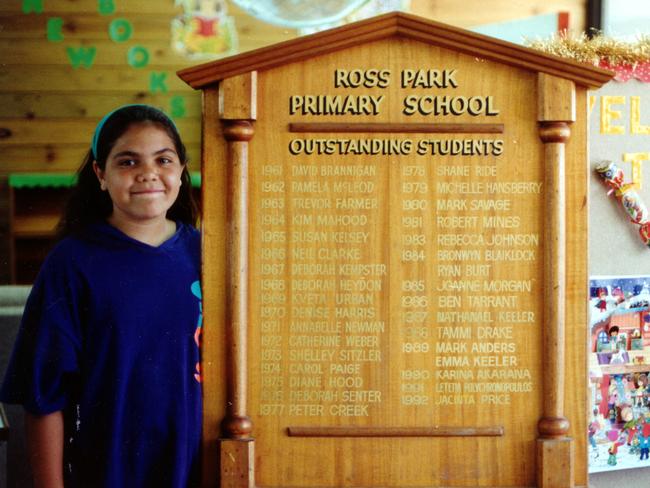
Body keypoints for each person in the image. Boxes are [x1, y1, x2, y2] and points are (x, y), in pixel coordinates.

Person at [0, 105, 202, 487]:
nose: (148, 173)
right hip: (105, 471)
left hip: (197, 470)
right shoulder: (72, 263)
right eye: (128, 161)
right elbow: (44, 398)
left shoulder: (210, 256)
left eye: (164, 159)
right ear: (100, 174)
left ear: (180, 170)